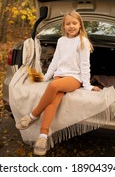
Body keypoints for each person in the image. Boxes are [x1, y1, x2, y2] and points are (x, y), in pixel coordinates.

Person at [16, 11, 101, 156]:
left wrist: (87, 85)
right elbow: (55, 61)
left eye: (74, 23)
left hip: (74, 78)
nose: (71, 26)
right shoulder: (61, 41)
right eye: (68, 24)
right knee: (53, 100)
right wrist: (46, 76)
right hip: (59, 75)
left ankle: (32, 116)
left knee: (54, 86)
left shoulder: (83, 41)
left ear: (80, 24)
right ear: (64, 26)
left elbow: (85, 65)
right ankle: (43, 137)